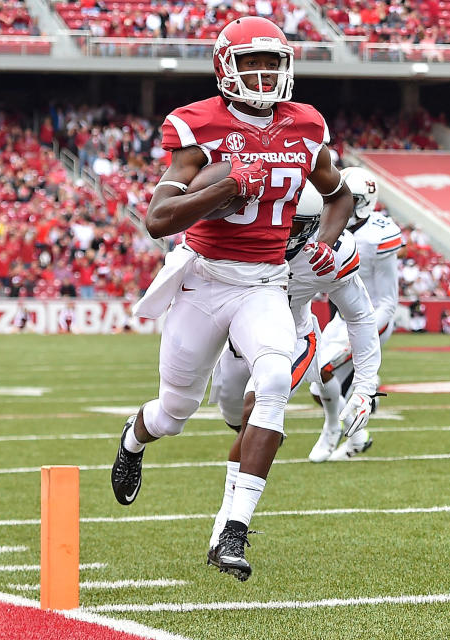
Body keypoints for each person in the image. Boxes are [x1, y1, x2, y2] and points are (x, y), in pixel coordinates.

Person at [109, 16, 352, 583]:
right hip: (204, 277)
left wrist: (323, 244)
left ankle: (232, 529)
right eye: (251, 62)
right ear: (226, 67)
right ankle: (133, 437)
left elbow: (338, 195)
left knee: (272, 381)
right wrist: (226, 184)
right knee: (172, 413)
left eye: (273, 61)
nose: (264, 73)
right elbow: (157, 219)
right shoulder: (199, 127)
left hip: (265, 280)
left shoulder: (306, 127)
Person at [208, 184, 381, 562]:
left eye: (296, 224)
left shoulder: (329, 254)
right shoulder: (242, 234)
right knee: (238, 423)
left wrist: (365, 388)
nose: (284, 232)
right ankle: (261, 441)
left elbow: (360, 316)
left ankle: (228, 522)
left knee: (257, 409)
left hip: (292, 340)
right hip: (238, 343)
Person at [308, 166, 403, 463]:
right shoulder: (336, 226)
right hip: (344, 315)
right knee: (316, 381)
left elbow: (388, 298)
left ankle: (333, 429)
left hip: (373, 315)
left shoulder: (378, 235)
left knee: (323, 371)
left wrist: (372, 331)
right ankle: (357, 436)